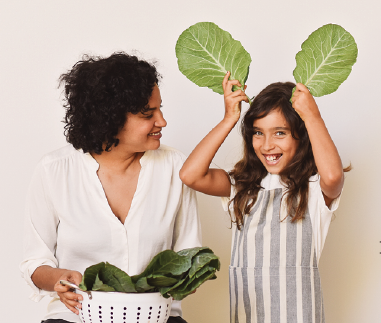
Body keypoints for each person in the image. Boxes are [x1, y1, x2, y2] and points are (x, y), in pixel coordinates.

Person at [20, 52, 201, 323]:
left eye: (160, 109)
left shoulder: (177, 168)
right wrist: (60, 279)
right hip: (75, 318)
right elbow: (34, 263)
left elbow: (190, 256)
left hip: (157, 317)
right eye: (147, 114)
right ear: (110, 118)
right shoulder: (54, 170)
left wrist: (182, 279)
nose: (161, 121)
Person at [179, 72, 349, 322]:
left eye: (280, 133)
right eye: (258, 133)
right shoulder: (241, 187)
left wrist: (312, 115)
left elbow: (333, 176)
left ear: (302, 136)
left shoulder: (313, 189)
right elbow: (190, 175)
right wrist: (229, 119)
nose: (267, 145)